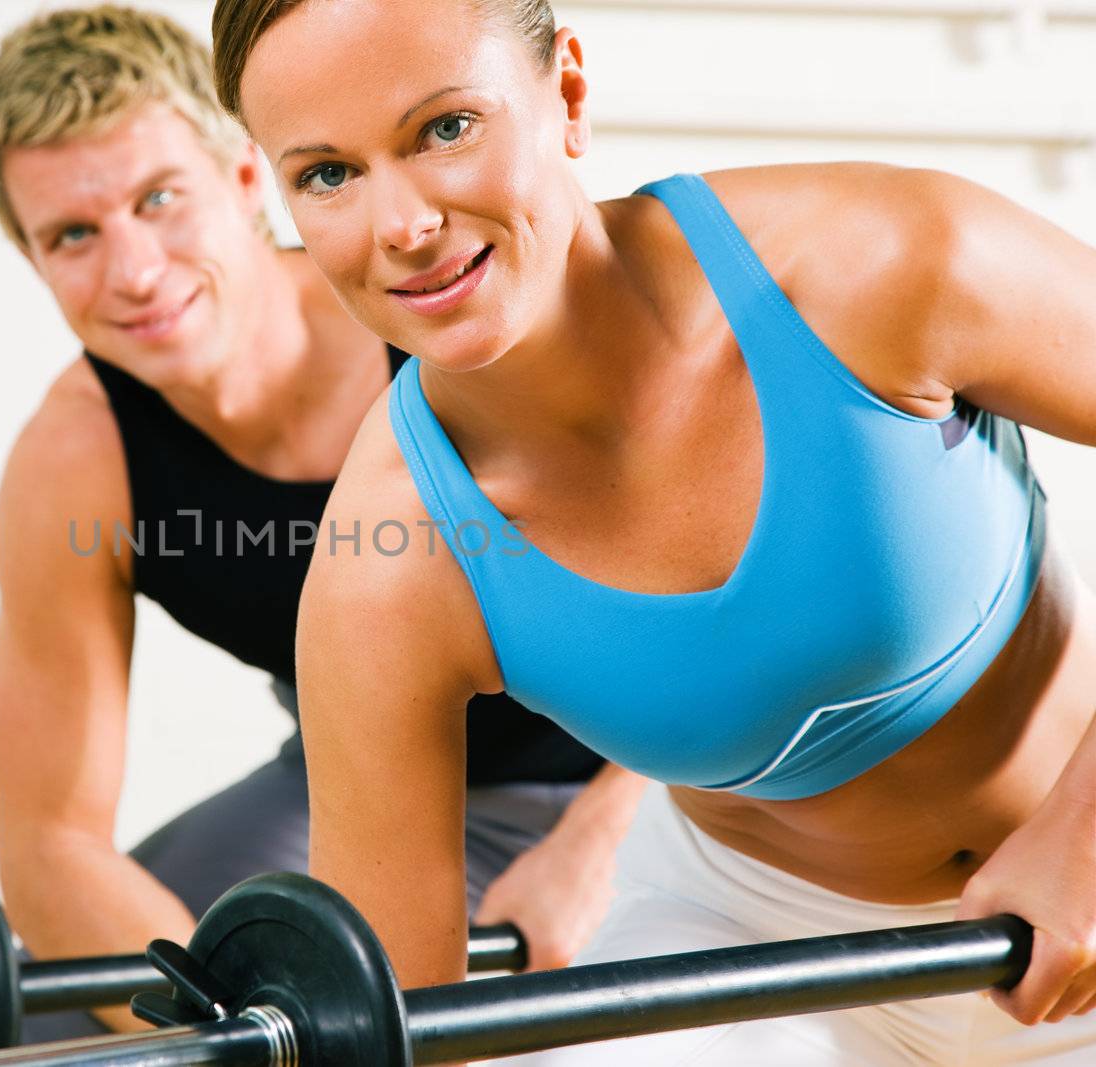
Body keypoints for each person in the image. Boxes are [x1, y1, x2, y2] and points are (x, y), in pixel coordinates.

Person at [210, 0, 1096, 1062]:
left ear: (567, 93)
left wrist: (1084, 834)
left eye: (444, 128)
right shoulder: (391, 567)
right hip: (755, 953)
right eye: (327, 174)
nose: (401, 225)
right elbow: (392, 1016)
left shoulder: (880, 262)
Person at [0, 6, 642, 1042]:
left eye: (160, 199)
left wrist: (604, 838)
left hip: (661, 766)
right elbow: (53, 845)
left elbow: (748, 612)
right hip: (369, 790)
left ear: (246, 179)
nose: (136, 270)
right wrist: (230, 1029)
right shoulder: (76, 462)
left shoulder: (441, 307)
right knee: (50, 1024)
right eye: (74, 236)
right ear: (31, 259)